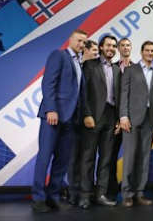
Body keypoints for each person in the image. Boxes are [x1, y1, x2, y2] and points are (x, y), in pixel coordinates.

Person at [31, 29, 87, 213]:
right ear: (70, 39)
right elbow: (48, 83)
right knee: (45, 157)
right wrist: (51, 109)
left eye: (84, 42)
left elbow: (79, 93)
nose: (81, 45)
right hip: (53, 117)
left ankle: (53, 197)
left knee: (62, 161)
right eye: (79, 40)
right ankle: (38, 198)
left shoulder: (79, 62)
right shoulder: (59, 55)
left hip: (71, 120)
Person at [119, 41, 153, 207]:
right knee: (130, 156)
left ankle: (139, 193)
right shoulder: (130, 70)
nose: (150, 53)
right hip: (131, 119)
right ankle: (127, 194)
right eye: (147, 50)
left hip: (150, 120)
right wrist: (123, 116)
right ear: (141, 52)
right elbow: (124, 93)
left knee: (144, 157)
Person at [78, 35, 121, 209]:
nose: (111, 48)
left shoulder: (118, 70)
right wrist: (87, 114)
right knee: (88, 158)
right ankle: (84, 195)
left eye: (113, 46)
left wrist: (119, 119)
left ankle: (100, 194)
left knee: (105, 159)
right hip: (93, 117)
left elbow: (119, 97)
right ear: (101, 47)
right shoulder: (89, 65)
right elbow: (83, 92)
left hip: (111, 117)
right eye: (108, 45)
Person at [66, 38, 99, 205]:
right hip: (73, 120)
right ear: (84, 51)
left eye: (97, 51)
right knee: (73, 158)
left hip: (90, 121)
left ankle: (85, 193)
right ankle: (73, 193)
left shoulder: (96, 68)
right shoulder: (75, 67)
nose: (96, 54)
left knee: (87, 158)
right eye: (94, 51)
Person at [108, 37, 133, 199]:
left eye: (128, 45)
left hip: (134, 121)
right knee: (110, 156)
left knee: (133, 157)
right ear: (118, 48)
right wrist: (118, 119)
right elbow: (111, 95)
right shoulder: (112, 68)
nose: (125, 48)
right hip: (114, 121)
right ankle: (110, 190)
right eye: (122, 45)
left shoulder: (138, 68)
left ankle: (132, 190)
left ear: (131, 48)